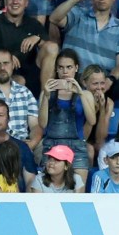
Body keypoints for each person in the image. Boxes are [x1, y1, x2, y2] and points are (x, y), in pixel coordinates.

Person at [51, 0, 119, 110]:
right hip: (76, 77)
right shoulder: (77, 14)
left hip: (103, 81)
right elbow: (54, 18)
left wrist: (110, 79)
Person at [0, 0, 59, 95]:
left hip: (31, 73)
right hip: (5, 73)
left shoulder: (33, 24)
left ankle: (46, 99)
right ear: (5, 1)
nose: (15, 2)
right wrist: (8, 58)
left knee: (52, 47)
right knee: (19, 81)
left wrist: (38, 39)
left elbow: (50, 47)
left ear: (26, 2)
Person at [40, 48, 94, 182]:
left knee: (78, 193)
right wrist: (46, 96)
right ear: (56, 69)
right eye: (61, 67)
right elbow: (42, 124)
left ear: (76, 68)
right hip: (52, 146)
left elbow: (92, 121)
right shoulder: (46, 92)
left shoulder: (86, 94)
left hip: (77, 147)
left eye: (69, 67)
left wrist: (80, 93)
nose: (65, 72)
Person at [0, 48, 42, 150]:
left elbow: (35, 126)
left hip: (22, 144)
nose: (2, 67)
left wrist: (31, 145)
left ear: (12, 65)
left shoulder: (25, 92)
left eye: (6, 63)